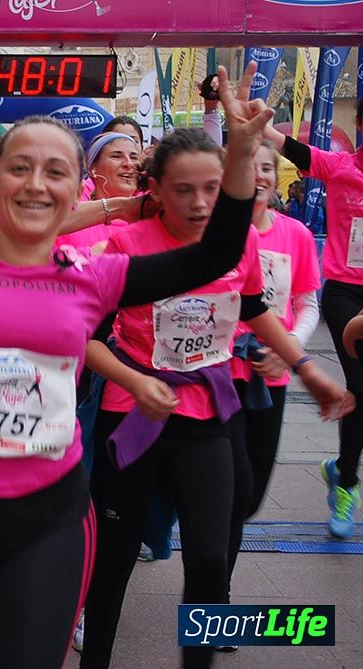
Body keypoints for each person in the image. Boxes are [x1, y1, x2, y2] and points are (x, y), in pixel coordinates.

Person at [0, 65, 349, 669]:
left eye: (55, 171)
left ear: (78, 192)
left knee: (202, 553)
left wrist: (240, 148)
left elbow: (217, 255)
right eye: (20, 167)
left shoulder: (94, 276)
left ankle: (188, 646)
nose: (36, 184)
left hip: (49, 520)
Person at [81, 127, 347, 669]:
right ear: (153, 189)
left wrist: (305, 366)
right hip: (133, 418)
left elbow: (253, 308)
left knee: (207, 559)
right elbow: (85, 338)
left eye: (212, 188)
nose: (200, 202)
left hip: (206, 416)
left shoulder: (239, 242)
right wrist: (134, 381)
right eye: (183, 190)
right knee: (112, 561)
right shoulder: (126, 247)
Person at [262, 96, 363, 537]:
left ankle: (340, 468)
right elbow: (291, 148)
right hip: (346, 293)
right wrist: (258, 124)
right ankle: (347, 485)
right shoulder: (342, 168)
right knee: (359, 386)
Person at [225, 140, 320, 595]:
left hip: (270, 376)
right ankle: (215, 595)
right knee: (233, 489)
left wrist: (291, 348)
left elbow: (308, 304)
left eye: (267, 168)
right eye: (249, 165)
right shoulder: (213, 230)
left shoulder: (296, 235)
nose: (258, 176)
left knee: (251, 495)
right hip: (216, 376)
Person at [56, 132, 142, 251]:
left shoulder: (154, 212)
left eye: (134, 157)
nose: (129, 164)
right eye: (116, 156)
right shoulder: (70, 221)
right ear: (92, 168)